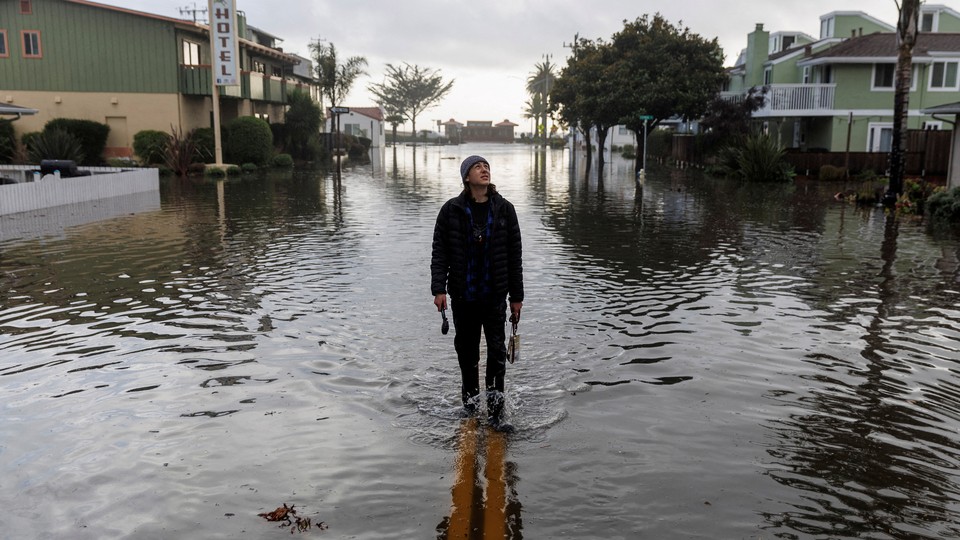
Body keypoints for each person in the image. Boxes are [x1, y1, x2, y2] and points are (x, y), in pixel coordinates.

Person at [431, 155, 524, 432]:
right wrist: (439, 289)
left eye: (486, 167)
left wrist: (516, 298)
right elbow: (440, 252)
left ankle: (496, 414)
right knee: (467, 353)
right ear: (466, 178)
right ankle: (470, 407)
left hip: (495, 296)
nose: (484, 170)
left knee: (496, 354)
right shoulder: (451, 210)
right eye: (477, 167)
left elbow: (514, 256)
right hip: (463, 296)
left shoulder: (505, 209)